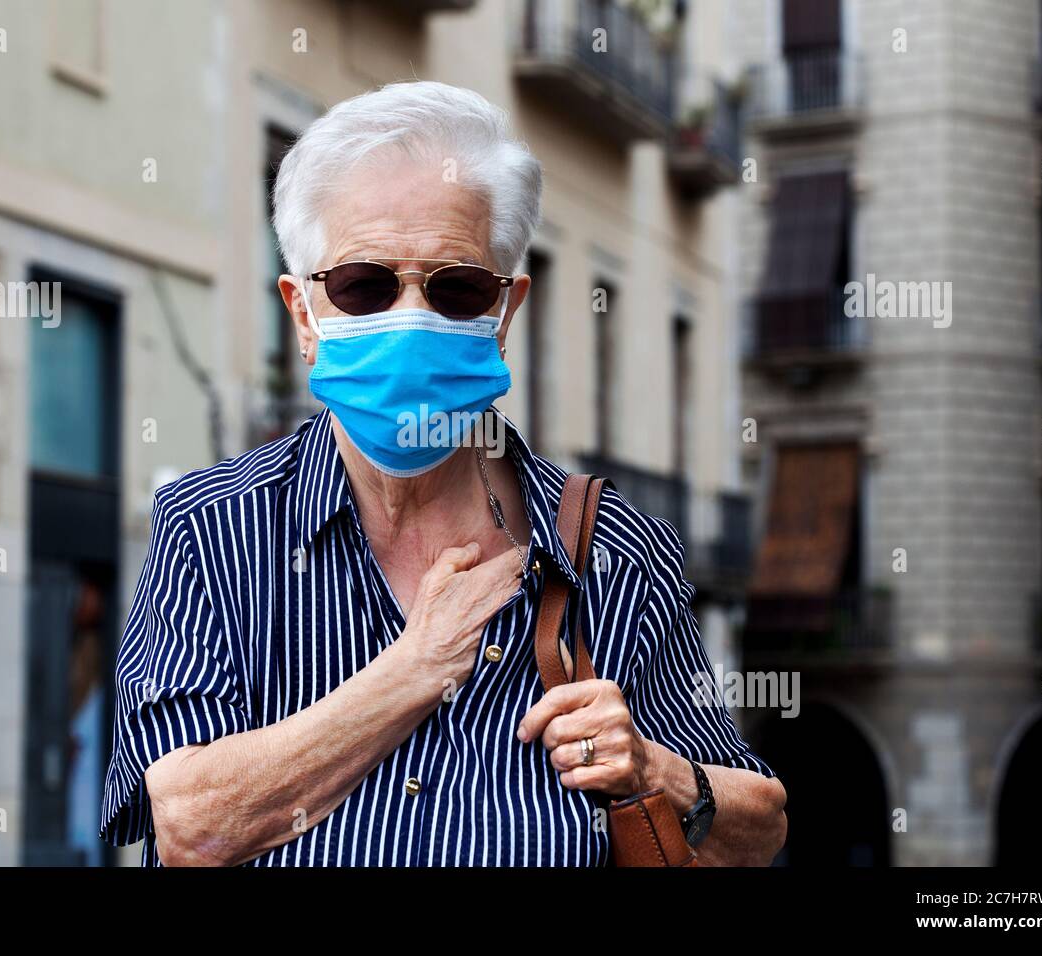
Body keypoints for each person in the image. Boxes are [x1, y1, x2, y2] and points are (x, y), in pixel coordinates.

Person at [100, 80, 786, 867]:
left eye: (456, 287)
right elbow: (190, 823)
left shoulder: (616, 553)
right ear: (302, 316)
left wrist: (658, 769)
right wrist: (411, 672)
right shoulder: (215, 528)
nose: (412, 318)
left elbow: (758, 828)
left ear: (505, 311)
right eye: (364, 286)